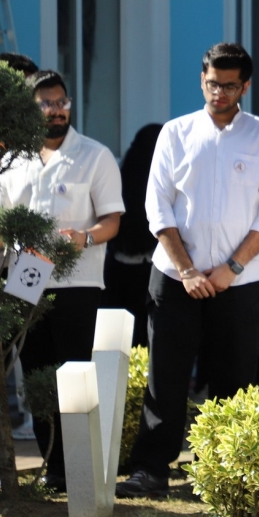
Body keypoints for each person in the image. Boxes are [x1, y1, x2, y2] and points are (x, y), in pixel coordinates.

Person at [117, 42, 259, 498]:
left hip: (243, 279)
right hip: (176, 277)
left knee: (234, 379)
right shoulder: (175, 132)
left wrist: (231, 268)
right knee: (165, 375)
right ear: (201, 80)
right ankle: (152, 469)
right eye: (212, 83)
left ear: (245, 86)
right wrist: (188, 270)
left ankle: (221, 473)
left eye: (229, 85)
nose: (219, 93)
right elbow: (157, 206)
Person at [0, 70, 125, 492]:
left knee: (75, 375)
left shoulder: (95, 155)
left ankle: (80, 471)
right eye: (47, 104)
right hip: (24, 281)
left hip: (78, 283)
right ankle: (53, 469)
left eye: (61, 103)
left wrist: (84, 237)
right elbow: (0, 226)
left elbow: (112, 220)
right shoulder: (13, 160)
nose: (56, 111)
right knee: (35, 374)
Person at [100, 123, 163, 350]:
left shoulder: (121, 177)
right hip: (150, 270)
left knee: (115, 341)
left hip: (116, 268)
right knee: (147, 340)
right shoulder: (161, 183)